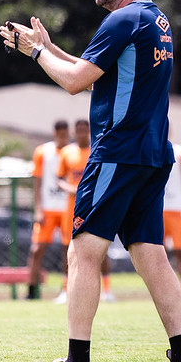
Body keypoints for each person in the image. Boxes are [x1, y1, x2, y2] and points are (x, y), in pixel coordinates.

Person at [0, 0, 181, 362]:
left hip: (117, 151)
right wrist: (51, 48)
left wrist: (35, 52)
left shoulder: (122, 19)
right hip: (152, 153)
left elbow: (75, 83)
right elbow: (98, 72)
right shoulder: (155, 19)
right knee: (150, 253)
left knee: (82, 252)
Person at [57, 119, 115, 304]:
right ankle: (65, 290)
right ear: (75, 131)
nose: (82, 133)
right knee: (68, 248)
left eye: (85, 130)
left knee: (100, 245)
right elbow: (59, 179)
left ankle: (107, 290)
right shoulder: (67, 152)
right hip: (72, 207)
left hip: (93, 206)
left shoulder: (96, 149)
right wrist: (69, 188)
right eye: (79, 130)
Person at [26, 120, 71, 300]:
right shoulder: (43, 152)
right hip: (48, 208)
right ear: (55, 134)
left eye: (65, 134)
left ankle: (66, 290)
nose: (63, 138)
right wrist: (38, 208)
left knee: (68, 251)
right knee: (37, 249)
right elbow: (37, 181)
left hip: (68, 208)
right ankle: (31, 290)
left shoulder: (72, 151)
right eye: (60, 134)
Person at [163, 141, 181, 298]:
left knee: (180, 251)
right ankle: (163, 290)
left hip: (175, 209)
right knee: (159, 253)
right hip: (157, 209)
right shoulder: (150, 148)